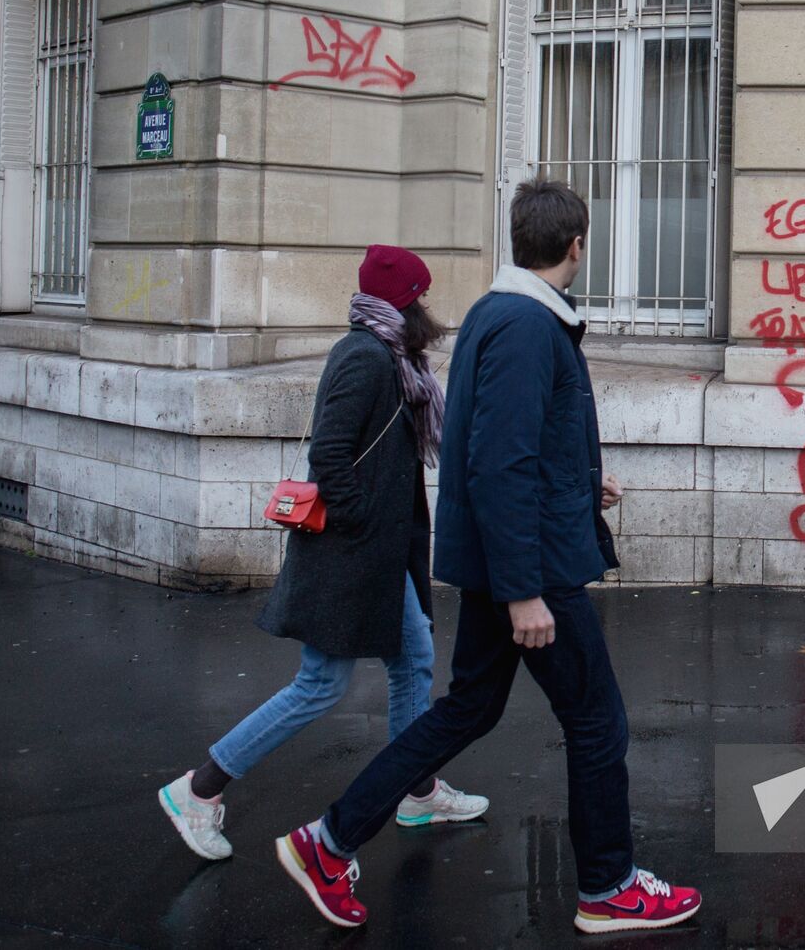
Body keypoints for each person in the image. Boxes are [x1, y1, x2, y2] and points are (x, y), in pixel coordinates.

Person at [275, 180, 702, 934]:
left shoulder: (496, 314)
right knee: (598, 722)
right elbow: (498, 463)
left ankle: (329, 840)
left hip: (509, 558)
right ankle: (608, 886)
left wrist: (578, 480)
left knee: (469, 707)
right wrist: (523, 591)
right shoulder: (527, 325)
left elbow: (498, 443)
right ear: (578, 245)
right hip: (529, 571)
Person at [158, 245, 488, 861]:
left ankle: (415, 789)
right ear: (400, 303)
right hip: (349, 560)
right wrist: (365, 524)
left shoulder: (392, 358)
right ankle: (200, 790)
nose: (426, 310)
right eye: (418, 298)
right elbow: (330, 456)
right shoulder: (364, 358)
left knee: (413, 662)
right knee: (319, 686)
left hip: (383, 560)